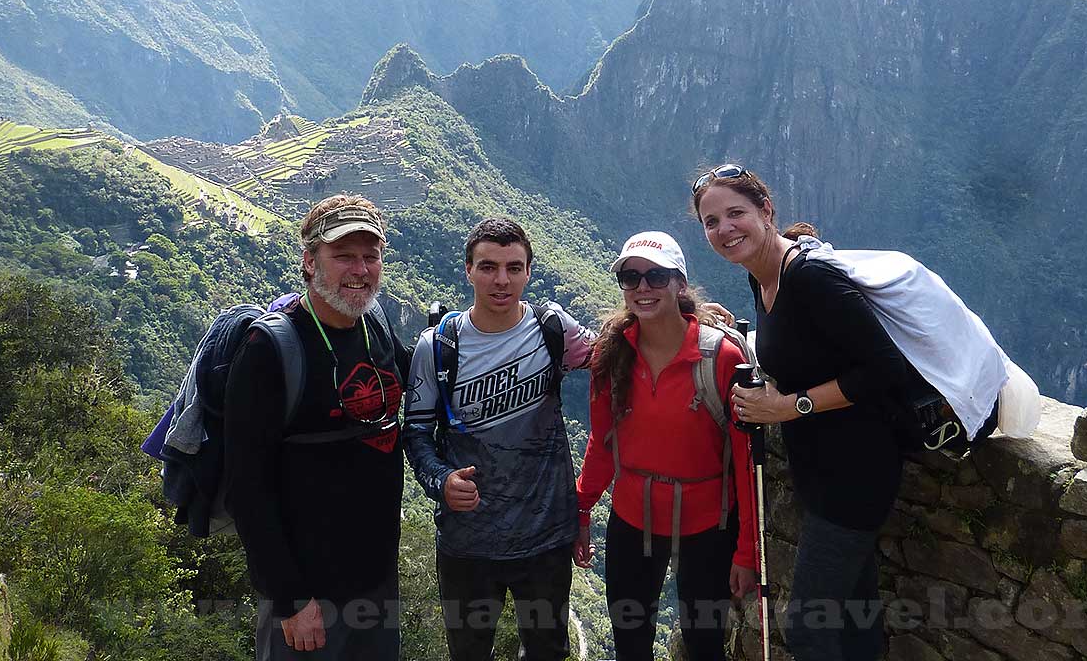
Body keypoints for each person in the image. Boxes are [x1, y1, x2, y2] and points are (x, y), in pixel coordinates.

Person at [692, 164, 939, 661]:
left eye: (735, 213)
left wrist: (789, 406)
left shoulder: (809, 277)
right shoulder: (761, 280)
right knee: (853, 617)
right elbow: (802, 350)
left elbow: (885, 367)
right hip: (821, 474)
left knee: (808, 629)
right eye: (711, 221)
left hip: (856, 476)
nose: (724, 229)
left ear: (766, 211)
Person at [223, 194, 409, 661]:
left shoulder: (377, 325)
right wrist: (288, 598)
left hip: (376, 582)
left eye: (371, 256)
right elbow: (247, 485)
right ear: (309, 262)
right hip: (309, 596)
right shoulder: (269, 349)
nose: (360, 269)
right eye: (343, 255)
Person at [402, 217, 595, 661]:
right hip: (468, 542)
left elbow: (622, 350)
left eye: (514, 267)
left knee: (547, 651)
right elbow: (415, 432)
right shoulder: (437, 347)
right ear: (468, 270)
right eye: (488, 267)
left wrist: (692, 316)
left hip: (545, 537)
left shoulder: (553, 330)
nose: (502, 280)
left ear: (529, 271)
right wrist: (442, 481)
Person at [574, 231, 759, 661]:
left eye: (657, 277)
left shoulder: (722, 357)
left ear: (680, 284)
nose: (643, 287)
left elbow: (746, 463)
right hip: (631, 519)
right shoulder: (612, 353)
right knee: (631, 645)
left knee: (705, 644)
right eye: (631, 277)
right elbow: (603, 444)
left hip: (710, 526)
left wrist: (747, 550)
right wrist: (582, 509)